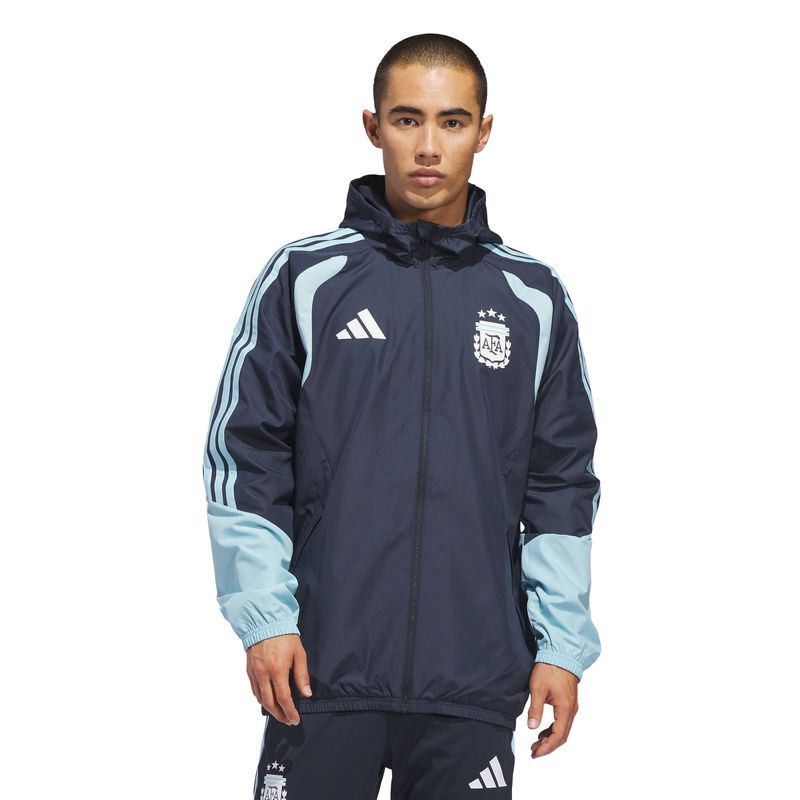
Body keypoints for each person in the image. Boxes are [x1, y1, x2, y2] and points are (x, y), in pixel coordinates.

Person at [202, 32, 601, 800]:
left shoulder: (533, 298)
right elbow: (245, 459)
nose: (428, 146)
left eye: (452, 122)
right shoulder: (306, 276)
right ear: (372, 125)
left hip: (472, 678)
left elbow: (561, 485)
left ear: (484, 131)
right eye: (407, 119)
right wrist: (265, 618)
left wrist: (562, 646)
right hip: (319, 670)